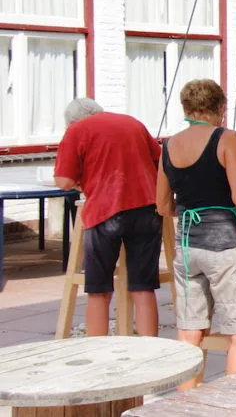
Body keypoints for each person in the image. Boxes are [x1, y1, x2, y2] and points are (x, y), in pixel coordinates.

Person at [156, 79, 236, 390]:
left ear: (186, 108)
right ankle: (231, 408)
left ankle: (186, 409)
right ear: (220, 108)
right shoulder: (226, 138)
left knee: (190, 333)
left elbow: (163, 205)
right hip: (226, 245)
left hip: (188, 246)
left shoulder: (168, 146)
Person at [54, 98, 163, 337]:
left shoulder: (76, 131)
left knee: (99, 289)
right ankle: (152, 352)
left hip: (104, 211)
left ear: (71, 121)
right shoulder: (132, 123)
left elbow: (64, 181)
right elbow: (160, 161)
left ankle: (99, 352)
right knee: (143, 287)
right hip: (146, 208)